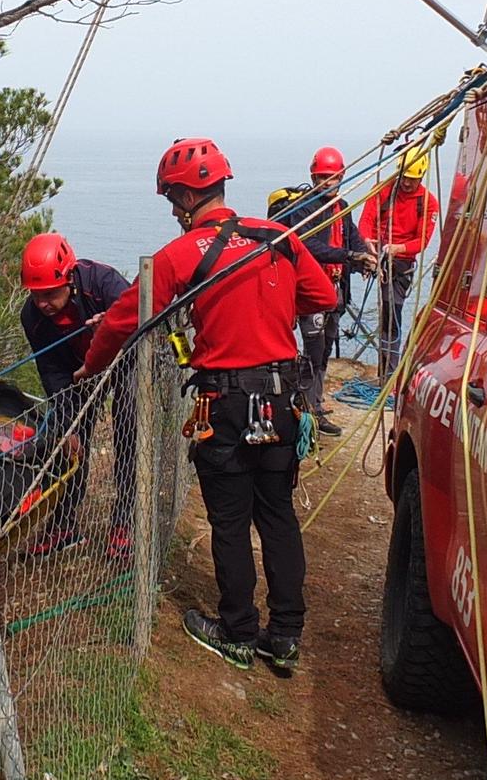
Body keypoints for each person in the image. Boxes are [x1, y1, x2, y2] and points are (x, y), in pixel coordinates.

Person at [80, 138, 338, 676]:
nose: (173, 211)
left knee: (229, 519)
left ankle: (239, 632)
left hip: (224, 403)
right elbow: (324, 298)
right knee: (278, 516)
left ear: (183, 194)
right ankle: (286, 636)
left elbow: (124, 320)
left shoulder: (179, 255)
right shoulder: (281, 237)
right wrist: (269, 309)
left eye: (173, 199)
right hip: (283, 401)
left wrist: (92, 364)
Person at [17, 232, 137, 560]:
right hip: (77, 372)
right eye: (36, 294)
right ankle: (65, 524)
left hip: (128, 360)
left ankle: (126, 520)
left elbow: (143, 318)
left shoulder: (103, 283)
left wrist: (113, 327)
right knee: (65, 441)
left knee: (128, 425)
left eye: (50, 293)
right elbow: (52, 371)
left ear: (69, 278)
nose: (43, 303)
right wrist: (67, 421)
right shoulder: (33, 317)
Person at [271, 146, 372, 436]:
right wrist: (351, 257)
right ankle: (308, 408)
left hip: (335, 289)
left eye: (333, 177)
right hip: (312, 293)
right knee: (313, 351)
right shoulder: (305, 209)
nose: (329, 183)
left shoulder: (341, 207)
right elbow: (309, 246)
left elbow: (352, 240)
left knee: (325, 348)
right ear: (314, 178)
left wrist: (364, 256)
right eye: (323, 178)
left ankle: (313, 401)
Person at [358, 145, 441, 371]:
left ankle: (390, 368)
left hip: (401, 260)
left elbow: (421, 241)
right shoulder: (383, 191)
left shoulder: (427, 202)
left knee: (392, 309)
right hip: (377, 252)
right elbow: (366, 221)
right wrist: (367, 241)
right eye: (404, 177)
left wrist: (397, 248)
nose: (406, 183)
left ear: (421, 176)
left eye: (412, 179)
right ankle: (387, 366)